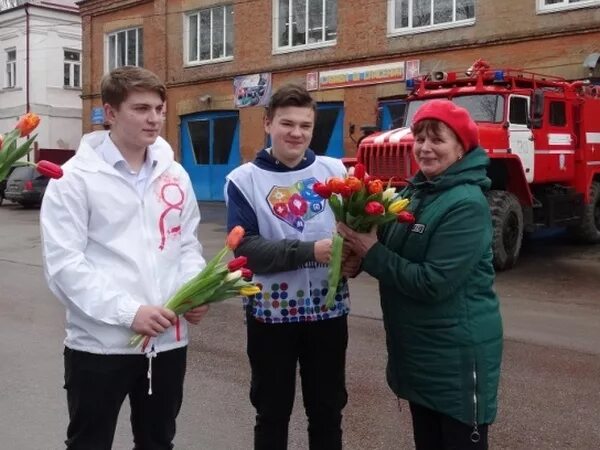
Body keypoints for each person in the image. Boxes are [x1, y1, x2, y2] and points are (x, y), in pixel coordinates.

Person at [40, 66, 209, 450]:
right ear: (110, 113)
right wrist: (128, 312)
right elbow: (65, 267)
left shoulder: (175, 175)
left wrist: (193, 291)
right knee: (89, 443)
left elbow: (185, 245)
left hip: (166, 344)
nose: (154, 118)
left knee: (157, 442)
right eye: (141, 108)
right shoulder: (74, 179)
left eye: (159, 108)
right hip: (100, 345)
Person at [339, 99, 503, 450]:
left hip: (456, 359)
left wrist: (371, 252)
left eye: (437, 140)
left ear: (461, 147)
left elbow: (432, 283)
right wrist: (357, 258)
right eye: (420, 139)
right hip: (420, 357)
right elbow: (392, 250)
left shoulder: (465, 204)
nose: (425, 149)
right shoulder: (417, 192)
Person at [225, 84, 350, 450]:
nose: (296, 133)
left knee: (327, 411)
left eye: (305, 126)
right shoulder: (243, 180)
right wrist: (311, 250)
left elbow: (352, 233)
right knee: (272, 411)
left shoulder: (333, 170)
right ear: (267, 123)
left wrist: (355, 258)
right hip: (270, 318)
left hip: (328, 314)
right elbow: (245, 248)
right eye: (287, 124)